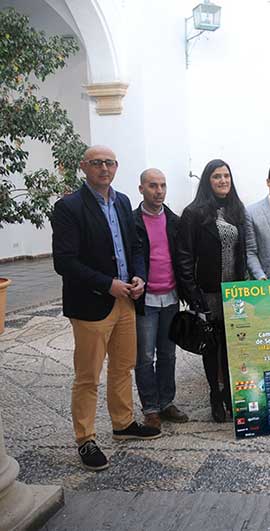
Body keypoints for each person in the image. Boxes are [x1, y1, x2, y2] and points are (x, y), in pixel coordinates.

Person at [52, 145, 160, 472]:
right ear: (84, 167)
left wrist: (139, 275)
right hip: (91, 303)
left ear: (117, 167)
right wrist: (106, 283)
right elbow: (65, 262)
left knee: (122, 366)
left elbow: (135, 246)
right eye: (97, 163)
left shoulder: (123, 201)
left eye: (109, 163)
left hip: (125, 299)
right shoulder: (68, 207)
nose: (104, 168)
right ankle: (85, 438)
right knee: (88, 375)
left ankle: (123, 422)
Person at [176, 159, 248, 423]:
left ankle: (231, 393)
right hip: (207, 292)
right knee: (211, 346)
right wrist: (192, 293)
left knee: (231, 345)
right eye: (217, 177)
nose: (223, 181)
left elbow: (243, 252)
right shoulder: (193, 213)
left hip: (234, 292)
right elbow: (184, 255)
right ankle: (215, 395)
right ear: (208, 180)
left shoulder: (237, 210)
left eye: (226, 176)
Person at [133, 168, 189, 429]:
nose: (159, 191)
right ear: (141, 188)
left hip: (171, 297)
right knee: (145, 356)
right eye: (153, 186)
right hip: (145, 299)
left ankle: (166, 402)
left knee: (168, 353)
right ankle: (151, 408)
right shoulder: (131, 222)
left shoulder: (175, 221)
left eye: (163, 186)